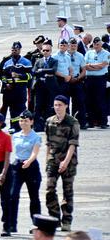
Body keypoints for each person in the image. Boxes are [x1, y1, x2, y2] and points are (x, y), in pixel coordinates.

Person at [45, 95, 80, 231]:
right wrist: (47, 159)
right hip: (53, 160)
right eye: (55, 105)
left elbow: (73, 144)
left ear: (66, 106)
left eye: (60, 105)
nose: (57, 108)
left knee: (67, 191)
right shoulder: (49, 121)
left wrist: (65, 162)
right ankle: (54, 219)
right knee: (49, 189)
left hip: (68, 161)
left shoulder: (72, 122)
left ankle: (66, 220)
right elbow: (48, 143)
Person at [6, 111, 43, 235]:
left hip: (31, 166)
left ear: (31, 122)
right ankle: (12, 224)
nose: (23, 123)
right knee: (13, 195)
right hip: (17, 166)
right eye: (21, 121)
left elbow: (35, 152)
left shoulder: (35, 137)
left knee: (34, 197)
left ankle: (36, 225)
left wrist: (29, 161)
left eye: (26, 121)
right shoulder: (16, 136)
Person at [84, 35, 109, 128]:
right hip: (89, 79)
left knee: (100, 100)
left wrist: (91, 66)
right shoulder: (89, 53)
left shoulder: (106, 53)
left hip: (100, 78)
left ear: (101, 44)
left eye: (98, 44)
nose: (96, 46)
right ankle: (90, 122)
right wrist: (96, 67)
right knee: (89, 100)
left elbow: (103, 65)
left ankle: (103, 122)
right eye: (94, 44)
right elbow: (85, 66)